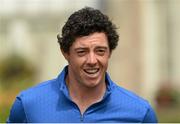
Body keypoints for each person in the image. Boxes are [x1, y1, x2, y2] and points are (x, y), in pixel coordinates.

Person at [7, 7, 157, 123]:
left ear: (110, 52)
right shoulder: (28, 104)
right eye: (82, 52)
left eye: (100, 51)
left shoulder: (139, 112)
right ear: (65, 53)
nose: (92, 60)